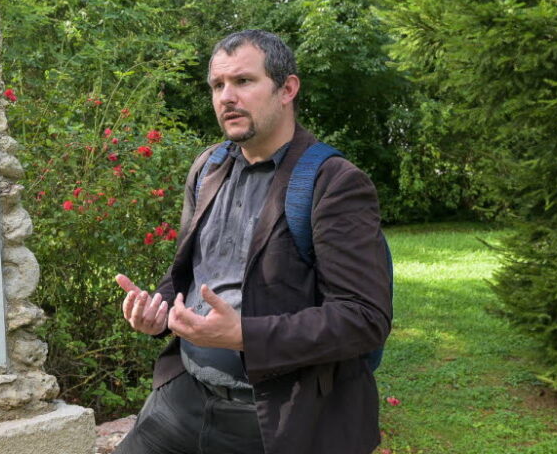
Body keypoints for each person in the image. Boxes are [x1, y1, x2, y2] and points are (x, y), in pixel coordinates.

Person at [112, 30, 393, 454]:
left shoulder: (333, 183)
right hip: (182, 402)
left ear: (287, 89)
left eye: (243, 81)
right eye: (217, 85)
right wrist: (160, 309)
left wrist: (244, 334)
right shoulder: (208, 167)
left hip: (277, 420)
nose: (227, 97)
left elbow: (364, 318)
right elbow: (188, 272)